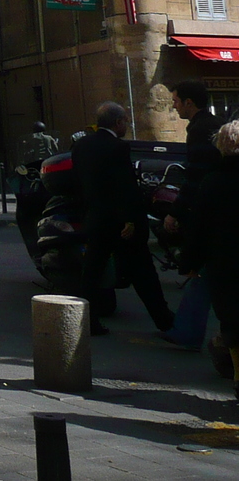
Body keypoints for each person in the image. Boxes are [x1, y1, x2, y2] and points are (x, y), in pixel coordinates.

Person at [74, 101, 174, 336]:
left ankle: (86, 322)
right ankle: (165, 320)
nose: (126, 125)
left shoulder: (81, 145)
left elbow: (80, 183)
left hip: (96, 218)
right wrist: (129, 220)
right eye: (126, 121)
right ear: (118, 123)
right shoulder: (118, 147)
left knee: (92, 272)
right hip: (120, 223)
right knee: (143, 272)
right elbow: (124, 186)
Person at [177, 120, 239, 400]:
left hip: (225, 262)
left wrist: (189, 262)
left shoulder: (213, 182)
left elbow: (198, 227)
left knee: (232, 320)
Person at [164, 80, 223, 349]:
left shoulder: (200, 130)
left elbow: (195, 178)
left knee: (204, 274)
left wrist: (175, 212)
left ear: (189, 102)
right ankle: (186, 330)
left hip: (211, 215)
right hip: (217, 213)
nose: (173, 106)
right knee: (205, 275)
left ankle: (187, 332)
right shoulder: (213, 125)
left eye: (176, 100)